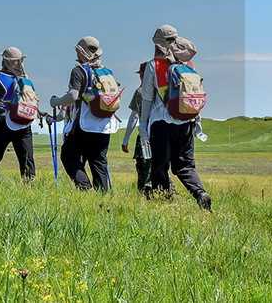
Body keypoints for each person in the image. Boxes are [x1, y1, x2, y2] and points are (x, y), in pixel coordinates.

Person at [138, 25, 212, 211]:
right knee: (185, 166)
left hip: (161, 124)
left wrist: (143, 126)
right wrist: (197, 122)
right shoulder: (189, 66)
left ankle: (164, 205)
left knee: (160, 166)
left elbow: (146, 99)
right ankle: (200, 193)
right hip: (187, 121)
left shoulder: (153, 66)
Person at [50, 37, 120, 191]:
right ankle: (103, 198)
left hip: (85, 124)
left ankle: (84, 188)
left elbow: (73, 96)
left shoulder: (79, 71)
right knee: (99, 162)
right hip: (105, 125)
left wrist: (56, 102)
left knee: (68, 156)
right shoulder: (107, 72)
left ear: (81, 52)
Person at [0, 47, 38, 182]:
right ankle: (29, 184)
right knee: (27, 158)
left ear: (5, 61)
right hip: (24, 121)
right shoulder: (26, 79)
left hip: (4, 122)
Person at [122, 63, 152, 195]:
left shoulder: (140, 92)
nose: (140, 76)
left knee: (143, 166)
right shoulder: (161, 90)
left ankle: (144, 194)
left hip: (145, 136)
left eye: (141, 74)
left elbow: (134, 116)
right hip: (161, 134)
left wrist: (126, 139)